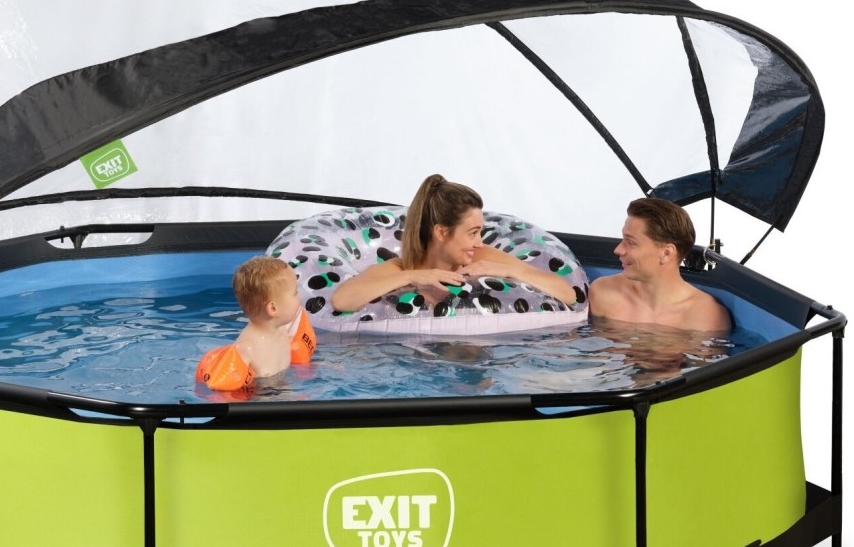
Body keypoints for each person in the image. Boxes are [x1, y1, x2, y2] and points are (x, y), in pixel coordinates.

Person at [329, 174, 581, 314]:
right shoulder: (400, 269)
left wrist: (508, 270)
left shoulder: (484, 258)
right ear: (441, 232)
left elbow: (568, 294)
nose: (478, 242)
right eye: (472, 233)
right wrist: (414, 277)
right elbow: (341, 301)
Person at [588, 197, 731, 332]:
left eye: (631, 242)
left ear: (666, 253)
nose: (618, 250)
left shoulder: (705, 318)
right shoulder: (603, 293)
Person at [195, 256, 316, 391]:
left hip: (285, 387)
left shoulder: (284, 328)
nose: (300, 296)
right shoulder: (247, 348)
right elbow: (223, 388)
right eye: (295, 293)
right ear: (273, 308)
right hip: (262, 397)